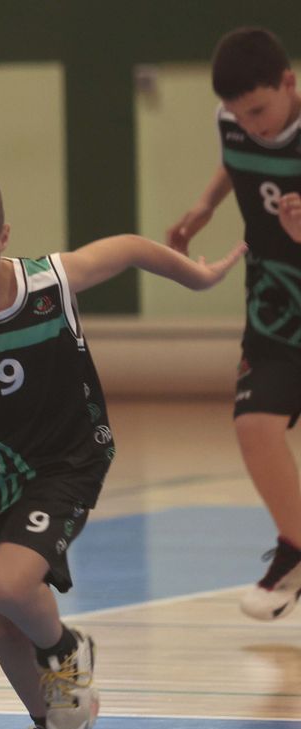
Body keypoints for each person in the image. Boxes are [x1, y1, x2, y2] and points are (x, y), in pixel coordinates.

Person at [0, 167, 244, 729]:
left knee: (12, 586)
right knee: (1, 628)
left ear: (3, 236)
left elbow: (133, 248)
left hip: (67, 460)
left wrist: (197, 276)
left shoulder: (51, 282)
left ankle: (67, 651)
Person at [167, 27, 301, 621]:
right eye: (239, 115)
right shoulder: (233, 123)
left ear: (289, 83)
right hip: (275, 310)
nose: (252, 125)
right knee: (254, 425)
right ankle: (297, 548)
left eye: (260, 111)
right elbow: (236, 163)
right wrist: (207, 203)